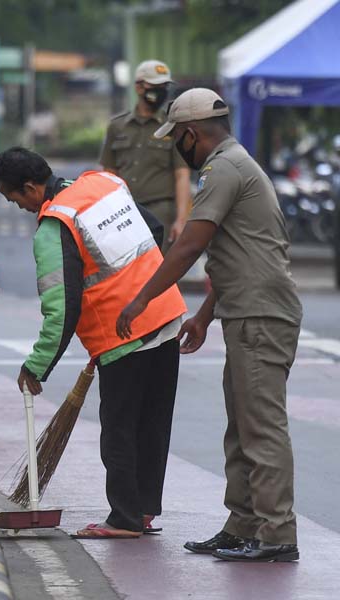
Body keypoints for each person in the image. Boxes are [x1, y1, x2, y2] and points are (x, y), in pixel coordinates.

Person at [116, 89, 302, 562]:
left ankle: (277, 533)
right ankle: (242, 525)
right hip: (246, 309)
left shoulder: (223, 169)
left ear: (192, 134)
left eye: (178, 138)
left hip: (260, 313)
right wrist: (203, 315)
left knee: (260, 427)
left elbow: (188, 248)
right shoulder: (234, 164)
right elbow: (233, 253)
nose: (178, 146)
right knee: (242, 425)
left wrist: (140, 299)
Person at [0, 147, 186, 538]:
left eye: (15, 199)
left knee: (118, 430)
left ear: (30, 187)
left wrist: (36, 366)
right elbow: (155, 230)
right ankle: (144, 510)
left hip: (124, 334)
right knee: (152, 423)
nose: (19, 207)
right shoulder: (103, 184)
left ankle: (125, 520)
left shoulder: (55, 225)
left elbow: (61, 310)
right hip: (166, 316)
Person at [100, 60, 191, 252]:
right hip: (126, 212)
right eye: (155, 86)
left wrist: (181, 220)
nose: (161, 91)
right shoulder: (117, 126)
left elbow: (182, 174)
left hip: (161, 212)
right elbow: (108, 174)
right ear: (139, 87)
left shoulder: (172, 126)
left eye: (164, 86)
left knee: (159, 271)